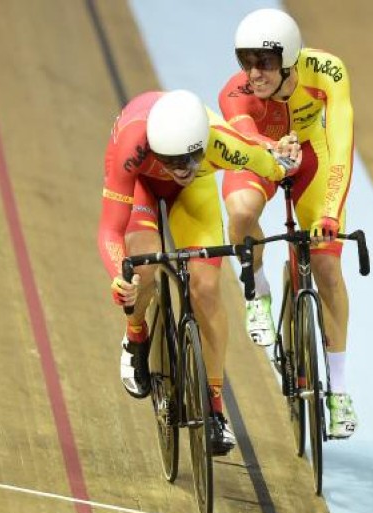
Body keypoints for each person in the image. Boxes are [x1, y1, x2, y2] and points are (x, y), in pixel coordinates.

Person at [96, 89, 297, 456]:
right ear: (157, 149)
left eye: (191, 158)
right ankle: (136, 335)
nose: (183, 170)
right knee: (144, 264)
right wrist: (117, 274)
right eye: (173, 162)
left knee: (205, 290)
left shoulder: (219, 143)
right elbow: (110, 229)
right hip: (141, 186)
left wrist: (287, 156)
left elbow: (270, 160)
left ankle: (214, 409)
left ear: (203, 144)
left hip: (194, 199)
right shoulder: (132, 147)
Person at [219, 8, 358, 439]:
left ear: (289, 59)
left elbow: (340, 143)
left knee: (328, 267)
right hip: (259, 154)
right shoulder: (236, 92)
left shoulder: (327, 72)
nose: (253, 72)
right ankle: (257, 290)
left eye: (264, 62)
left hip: (311, 157)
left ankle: (338, 391)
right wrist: (272, 151)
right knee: (242, 212)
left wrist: (331, 212)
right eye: (246, 60)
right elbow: (243, 138)